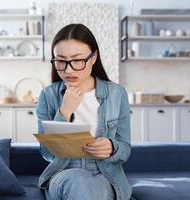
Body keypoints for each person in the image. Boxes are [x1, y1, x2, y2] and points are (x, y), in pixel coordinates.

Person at [36, 23, 131, 200]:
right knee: (80, 181)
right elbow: (47, 153)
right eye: (61, 61)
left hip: (105, 176)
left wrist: (112, 147)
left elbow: (125, 149)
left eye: (77, 60)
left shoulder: (117, 94)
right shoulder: (47, 95)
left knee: (90, 188)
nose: (68, 69)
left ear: (93, 57)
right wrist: (65, 110)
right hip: (64, 174)